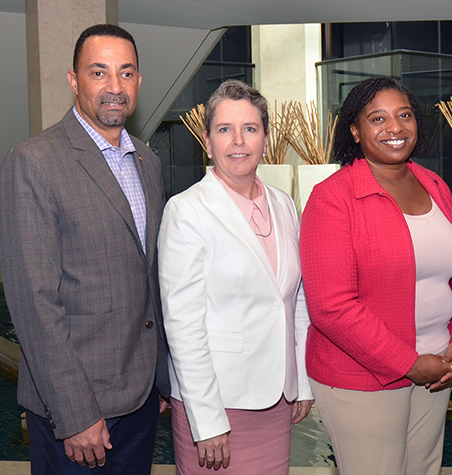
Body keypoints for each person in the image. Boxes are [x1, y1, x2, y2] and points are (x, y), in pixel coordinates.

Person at [0, 24, 170, 474]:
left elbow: (150, 278)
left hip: (141, 401)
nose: (115, 87)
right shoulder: (34, 162)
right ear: (74, 81)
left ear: (138, 81)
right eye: (99, 72)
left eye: (126, 73)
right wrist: (75, 413)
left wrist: (162, 381)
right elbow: (34, 303)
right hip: (77, 412)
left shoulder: (147, 162)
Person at [300, 76, 452, 475]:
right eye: (377, 118)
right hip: (362, 380)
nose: (394, 128)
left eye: (404, 115)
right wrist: (410, 363)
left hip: (436, 369)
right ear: (355, 131)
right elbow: (331, 307)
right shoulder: (333, 198)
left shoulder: (434, 185)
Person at [158, 79, 314, 474]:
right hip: (218, 405)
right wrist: (207, 421)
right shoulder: (186, 211)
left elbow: (295, 302)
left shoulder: (283, 204)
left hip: (277, 399)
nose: (238, 141)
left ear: (264, 138)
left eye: (250, 129)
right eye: (224, 130)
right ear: (208, 142)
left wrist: (303, 383)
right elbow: (182, 324)